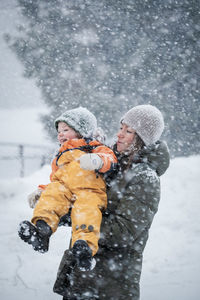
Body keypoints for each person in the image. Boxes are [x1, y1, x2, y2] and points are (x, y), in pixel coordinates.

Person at [53, 104, 170, 300]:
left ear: (141, 139)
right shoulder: (112, 164)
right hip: (82, 276)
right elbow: (88, 197)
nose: (120, 134)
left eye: (129, 131)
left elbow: (123, 232)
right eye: (121, 128)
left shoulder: (145, 178)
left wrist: (76, 218)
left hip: (110, 285)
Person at [18, 107, 117, 271]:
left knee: (86, 211)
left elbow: (110, 159)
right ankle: (42, 231)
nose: (60, 134)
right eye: (58, 131)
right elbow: (56, 179)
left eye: (66, 129)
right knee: (52, 195)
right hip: (65, 190)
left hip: (89, 190)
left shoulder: (93, 147)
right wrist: (42, 191)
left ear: (81, 131)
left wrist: (97, 160)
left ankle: (84, 247)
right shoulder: (60, 156)